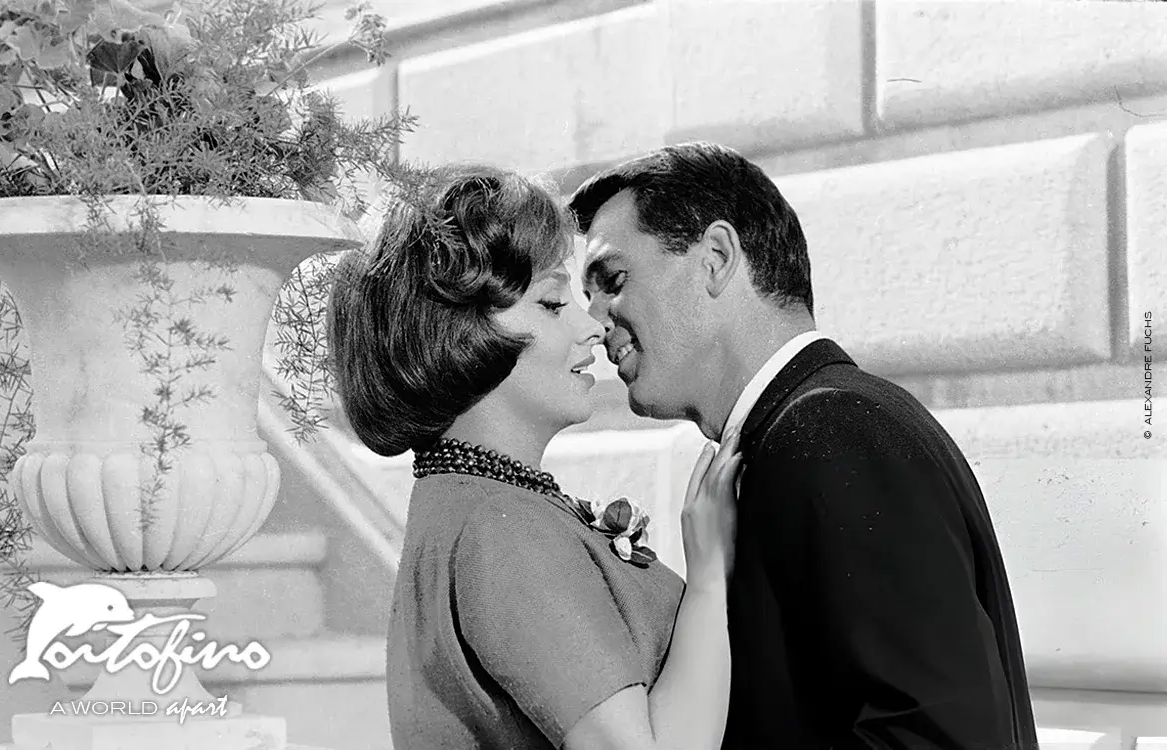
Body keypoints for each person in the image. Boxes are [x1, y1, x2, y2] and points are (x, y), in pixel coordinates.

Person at [569, 142, 1040, 750]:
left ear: (716, 258)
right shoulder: (809, 427)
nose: (594, 320)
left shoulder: (830, 430)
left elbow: (937, 734)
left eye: (612, 281)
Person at [326, 164, 742, 750]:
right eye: (551, 303)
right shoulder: (499, 528)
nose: (592, 327)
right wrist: (708, 577)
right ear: (460, 333)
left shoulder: (475, 506)